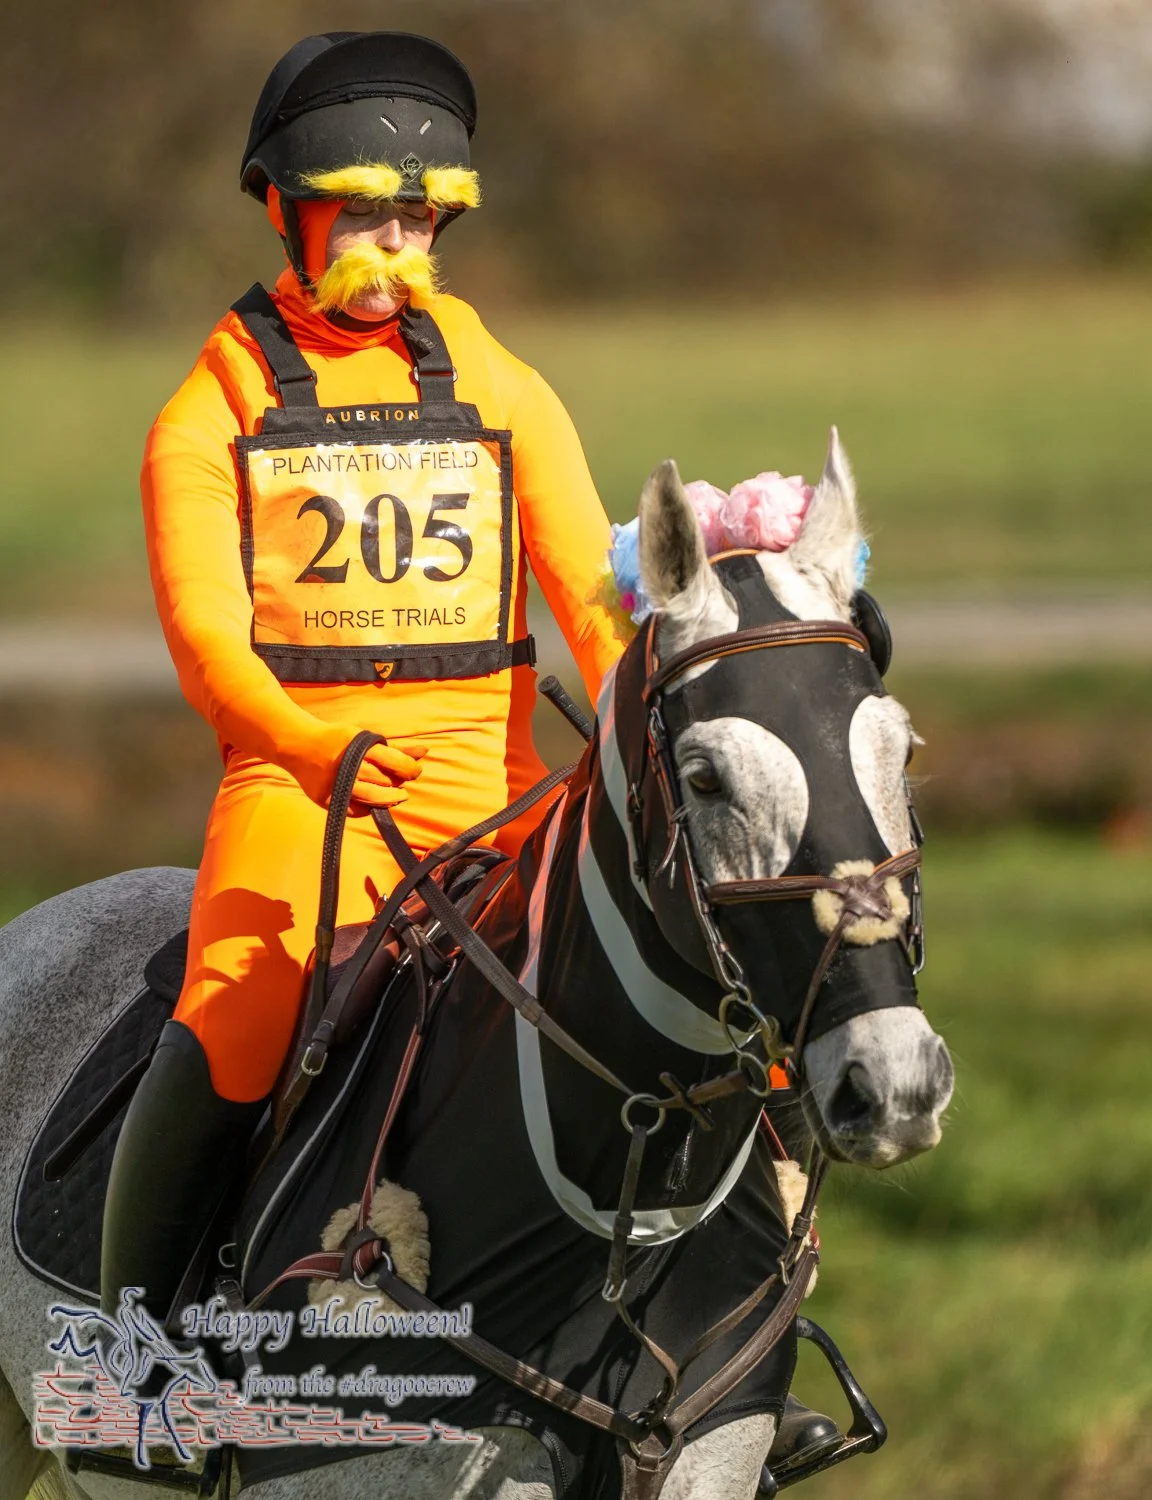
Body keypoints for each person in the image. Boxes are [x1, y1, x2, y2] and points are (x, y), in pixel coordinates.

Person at [100, 30, 625, 1322]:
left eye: (419, 224)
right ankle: (128, 1352)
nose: (399, 252)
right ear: (287, 210)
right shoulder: (208, 410)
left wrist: (640, 733)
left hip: (498, 786)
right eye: (365, 221)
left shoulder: (500, 381)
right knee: (236, 1013)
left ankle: (731, 1313)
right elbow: (209, 643)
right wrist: (306, 746)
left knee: (679, 952)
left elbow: (594, 599)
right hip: (304, 787)